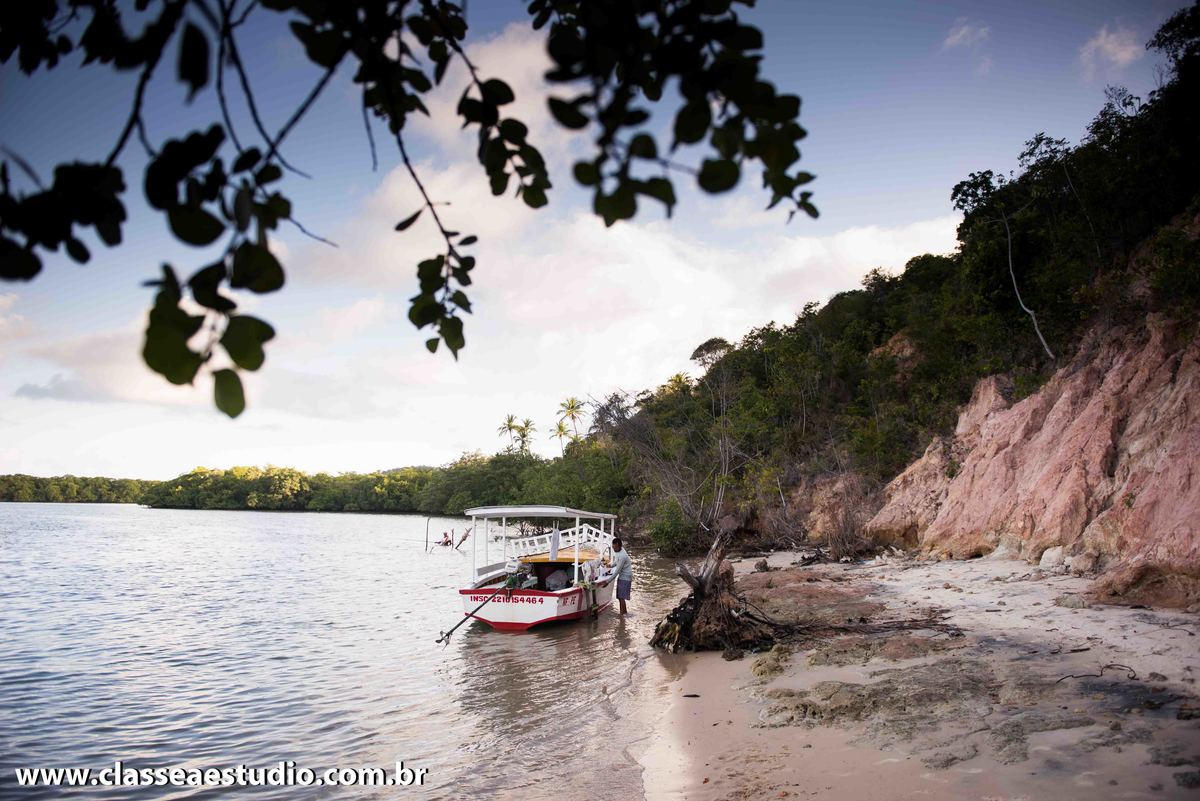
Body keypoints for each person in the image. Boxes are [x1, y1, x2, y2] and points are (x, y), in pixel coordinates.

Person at [610, 537, 633, 615]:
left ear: (617, 545)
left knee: (621, 597)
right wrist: (610, 565)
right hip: (623, 576)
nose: (613, 549)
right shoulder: (619, 551)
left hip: (625, 577)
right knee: (620, 597)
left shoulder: (623, 556)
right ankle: (624, 613)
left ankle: (622, 615)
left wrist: (608, 581)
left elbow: (617, 571)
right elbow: (616, 561)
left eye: (614, 547)